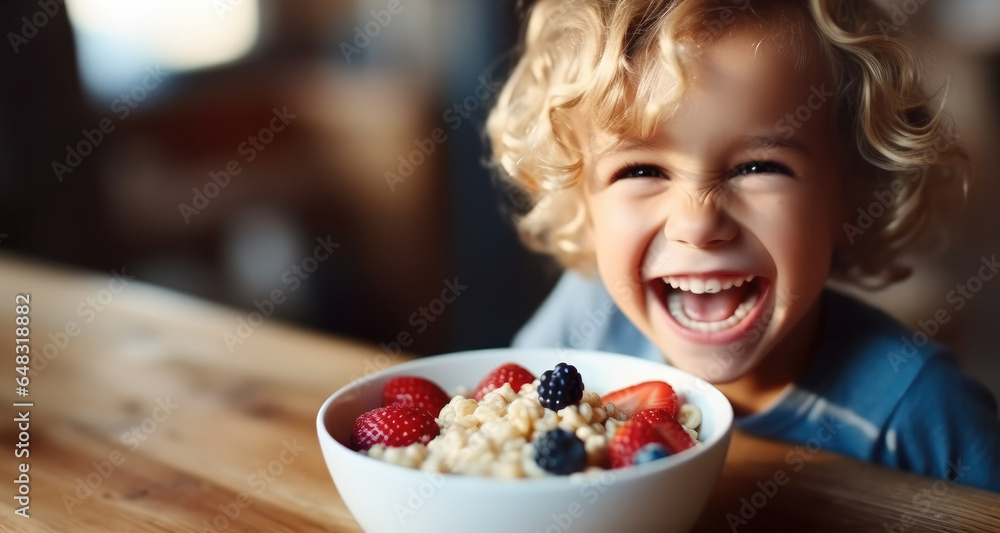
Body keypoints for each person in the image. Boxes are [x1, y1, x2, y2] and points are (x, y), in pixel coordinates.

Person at [486, 0, 1000, 492]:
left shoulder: (920, 411)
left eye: (758, 168)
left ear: (853, 194)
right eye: (641, 170)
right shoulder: (583, 324)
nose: (698, 222)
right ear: (584, 207)